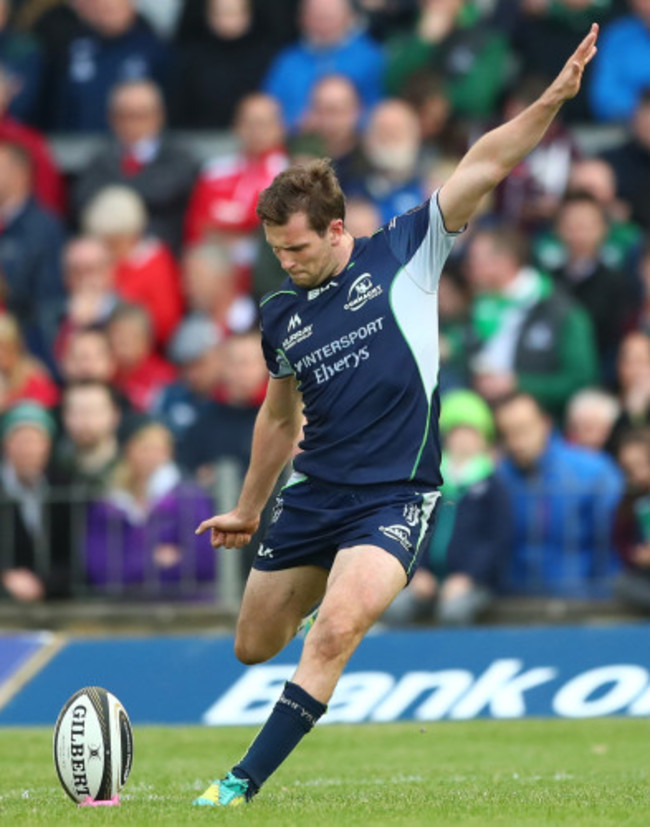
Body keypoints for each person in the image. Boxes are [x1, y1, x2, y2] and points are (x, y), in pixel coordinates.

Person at [192, 25, 600, 807]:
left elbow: (486, 158)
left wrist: (550, 99)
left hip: (395, 496)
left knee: (334, 635)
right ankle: (330, 581)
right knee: (254, 644)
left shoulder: (408, 249)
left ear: (338, 229)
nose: (289, 262)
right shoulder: (282, 316)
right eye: (278, 250)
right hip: (314, 492)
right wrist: (249, 506)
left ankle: (240, 782)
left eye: (301, 248)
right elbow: (278, 420)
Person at [495, 391, 623, 598]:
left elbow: (611, 545)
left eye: (523, 430)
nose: (516, 442)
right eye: (507, 433)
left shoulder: (594, 473)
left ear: (545, 424)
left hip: (583, 607)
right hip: (513, 606)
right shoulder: (498, 479)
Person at [73, 79, 198, 253]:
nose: (131, 125)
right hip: (106, 253)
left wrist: (117, 195)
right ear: (111, 118)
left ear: (159, 116)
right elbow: (84, 198)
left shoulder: (178, 156)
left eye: (140, 116)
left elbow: (165, 193)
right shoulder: (100, 157)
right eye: (123, 116)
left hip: (161, 251)